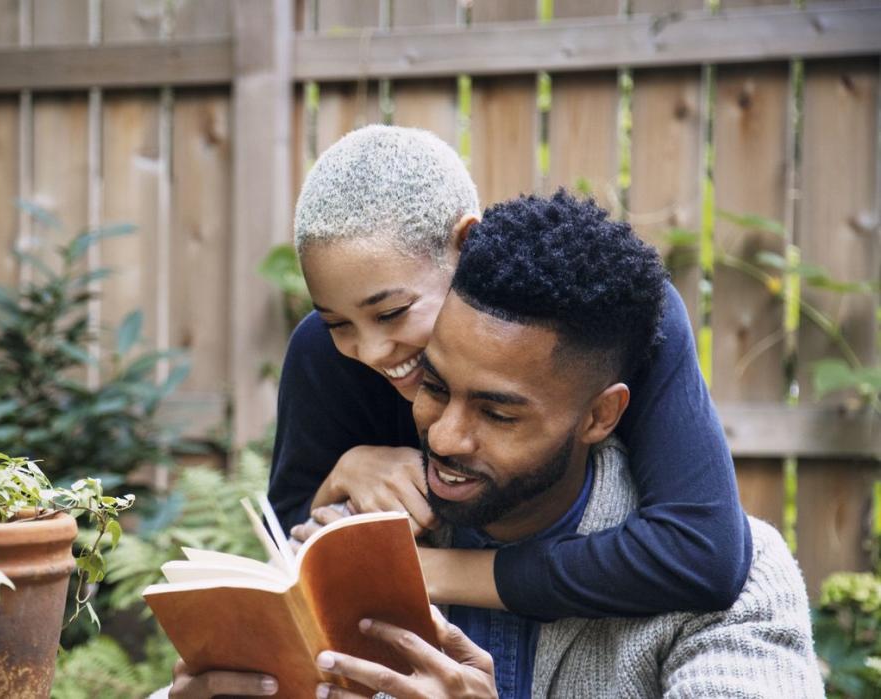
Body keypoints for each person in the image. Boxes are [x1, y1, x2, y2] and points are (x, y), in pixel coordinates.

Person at [308, 191, 821, 698]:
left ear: (600, 416)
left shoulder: (742, 585)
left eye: (497, 413)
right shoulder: (362, 541)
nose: (443, 437)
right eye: (434, 387)